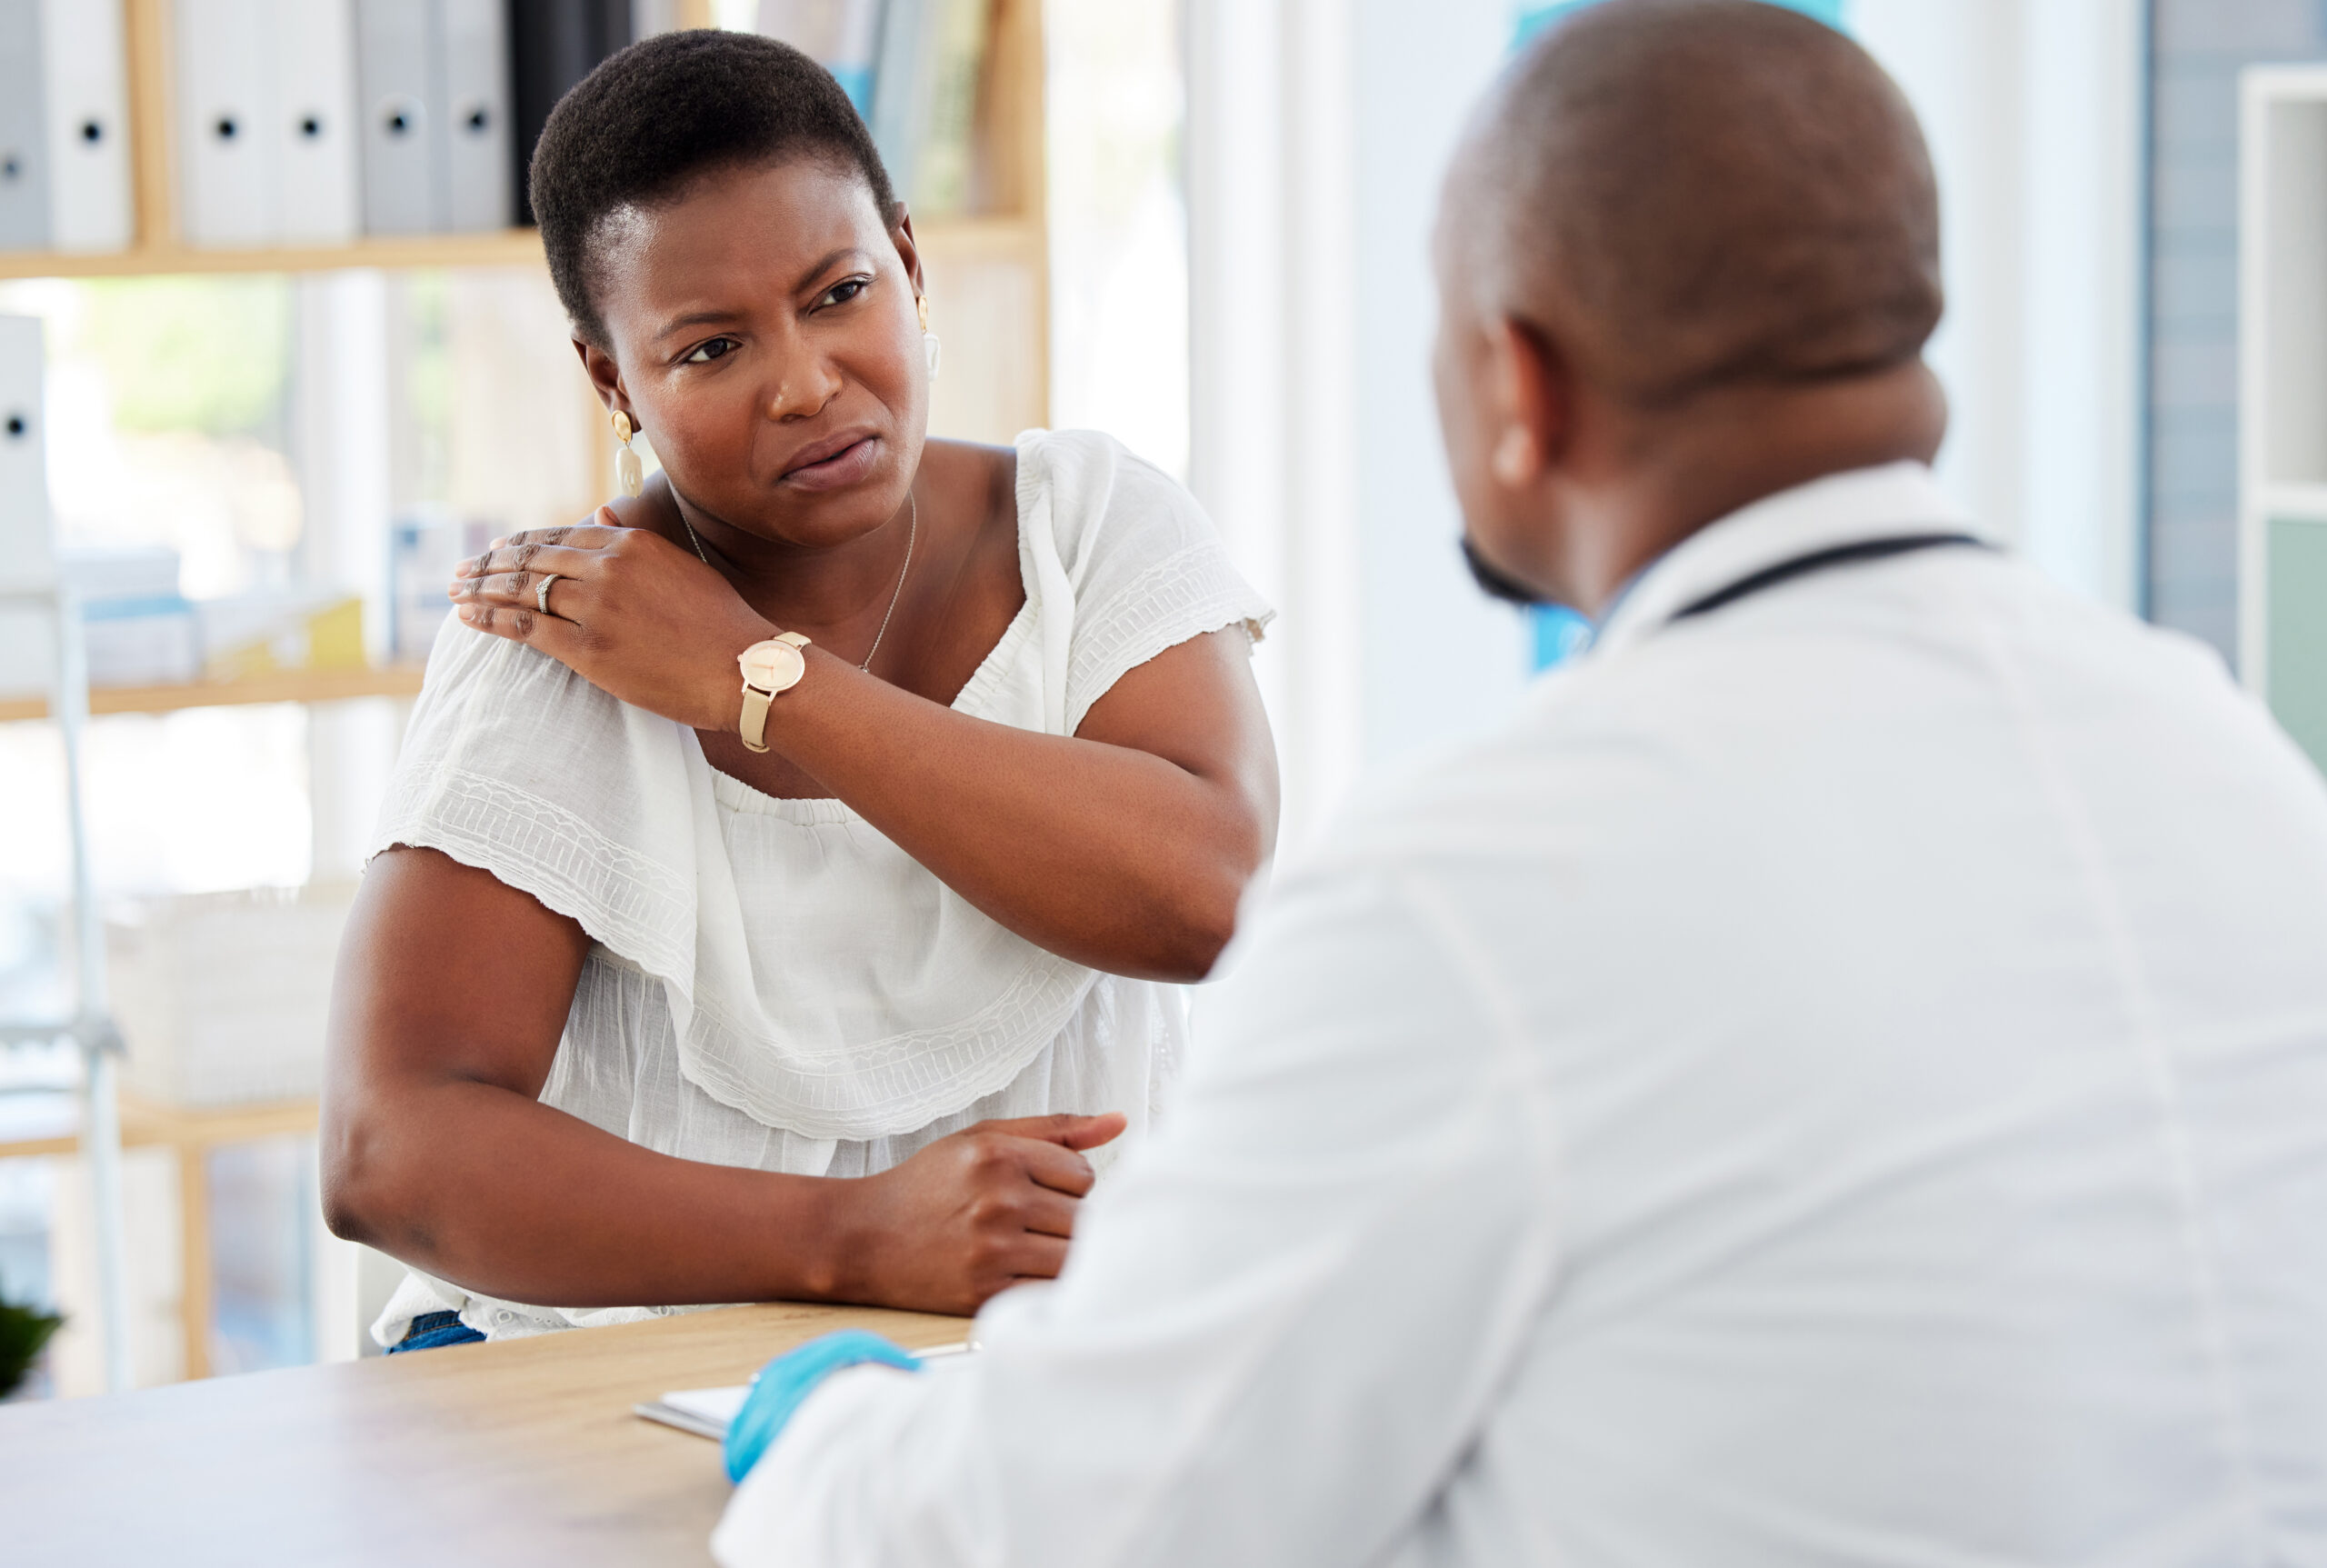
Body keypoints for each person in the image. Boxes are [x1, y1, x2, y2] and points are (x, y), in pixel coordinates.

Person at [708, 3, 2327, 1563]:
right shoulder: (2229, 761)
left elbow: (1059, 1526)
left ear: (1518, 385)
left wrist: (820, 1428)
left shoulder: (1479, 885)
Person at [320, 31, 1278, 1347]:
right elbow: (390, 1148)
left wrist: (759, 682)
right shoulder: (560, 629)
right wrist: (857, 1239)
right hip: (611, 1371)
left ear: (909, 260)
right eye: (712, 349)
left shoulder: (1088, 529)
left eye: (838, 293)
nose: (807, 384)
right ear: (614, 378)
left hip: (1036, 1372)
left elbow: (1203, 897)